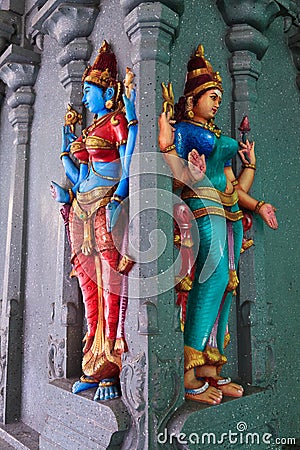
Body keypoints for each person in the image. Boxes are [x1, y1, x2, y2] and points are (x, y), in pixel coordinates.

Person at [158, 44, 277, 405]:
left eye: (219, 97)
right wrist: (189, 173)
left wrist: (258, 200)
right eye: (211, 96)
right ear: (192, 100)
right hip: (201, 207)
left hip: (228, 212)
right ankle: (188, 368)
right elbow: (175, 173)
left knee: (227, 288)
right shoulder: (185, 131)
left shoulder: (219, 139)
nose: (216, 103)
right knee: (212, 281)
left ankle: (211, 368)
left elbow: (232, 183)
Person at [51, 41, 138, 401]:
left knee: (111, 285)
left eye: (89, 91)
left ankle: (113, 367)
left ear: (108, 91)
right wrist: (65, 147)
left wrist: (120, 194)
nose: (85, 99)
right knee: (89, 289)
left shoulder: (117, 120)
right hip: (81, 209)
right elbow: (77, 170)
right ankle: (92, 363)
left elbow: (129, 152)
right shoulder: (91, 128)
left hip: (105, 205)